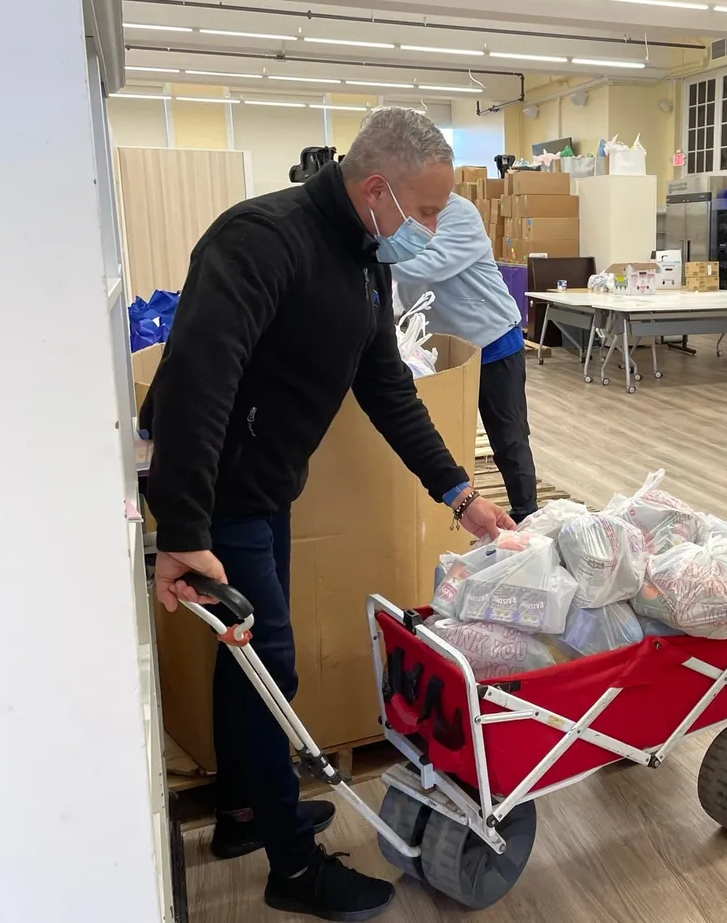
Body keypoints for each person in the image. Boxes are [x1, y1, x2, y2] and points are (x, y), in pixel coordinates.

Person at [140, 107, 513, 922]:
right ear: (376, 188)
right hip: (223, 495)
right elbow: (197, 383)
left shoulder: (362, 258)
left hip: (266, 487)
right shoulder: (259, 241)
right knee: (270, 665)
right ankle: (293, 868)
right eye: (423, 211)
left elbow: (386, 387)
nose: (429, 229)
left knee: (248, 666)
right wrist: (185, 531)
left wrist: (459, 493)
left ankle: (245, 811)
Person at [390, 191, 537, 523]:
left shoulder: (459, 212)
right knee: (444, 432)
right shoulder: (401, 213)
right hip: (446, 347)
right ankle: (449, 515)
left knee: (508, 437)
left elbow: (430, 265)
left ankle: (527, 514)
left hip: (493, 339)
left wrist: (362, 265)